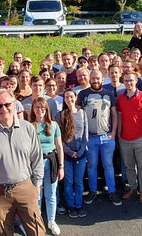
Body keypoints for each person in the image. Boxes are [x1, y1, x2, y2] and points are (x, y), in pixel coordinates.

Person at [0, 90, 46, 236]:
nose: (4, 109)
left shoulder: (28, 128)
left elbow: (37, 159)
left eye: (7, 104)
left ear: (14, 105)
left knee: (37, 230)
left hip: (26, 188)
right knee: (2, 232)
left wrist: (37, 186)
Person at [78, 69, 121, 206]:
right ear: (90, 79)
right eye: (93, 78)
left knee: (108, 165)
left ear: (103, 79)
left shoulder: (108, 94)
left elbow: (114, 115)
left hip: (106, 137)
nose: (96, 81)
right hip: (90, 138)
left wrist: (113, 132)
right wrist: (83, 136)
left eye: (98, 78)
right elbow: (78, 116)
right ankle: (92, 190)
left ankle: (112, 191)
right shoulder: (83, 94)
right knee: (92, 165)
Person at [116, 71, 142, 204]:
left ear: (136, 80)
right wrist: (119, 135)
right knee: (129, 166)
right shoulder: (120, 97)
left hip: (140, 138)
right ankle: (133, 188)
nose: (128, 83)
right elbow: (120, 117)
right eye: (126, 81)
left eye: (131, 80)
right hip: (125, 138)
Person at [30, 97, 64, 235]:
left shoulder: (54, 125)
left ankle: (51, 221)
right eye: (37, 107)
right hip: (35, 164)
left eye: (42, 107)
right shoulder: (29, 126)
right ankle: (37, 222)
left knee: (51, 195)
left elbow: (59, 147)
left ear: (46, 109)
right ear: (33, 109)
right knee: (37, 195)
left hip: (51, 161)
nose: (40, 110)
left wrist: (61, 167)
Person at [59, 89, 88, 218]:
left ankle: (79, 205)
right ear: (64, 99)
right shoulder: (62, 114)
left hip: (81, 153)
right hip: (67, 154)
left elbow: (85, 135)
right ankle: (71, 205)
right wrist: (69, 152)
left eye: (71, 97)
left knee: (79, 182)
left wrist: (81, 151)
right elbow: (60, 137)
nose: (69, 99)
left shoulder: (82, 113)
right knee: (68, 181)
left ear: (75, 98)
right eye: (66, 97)